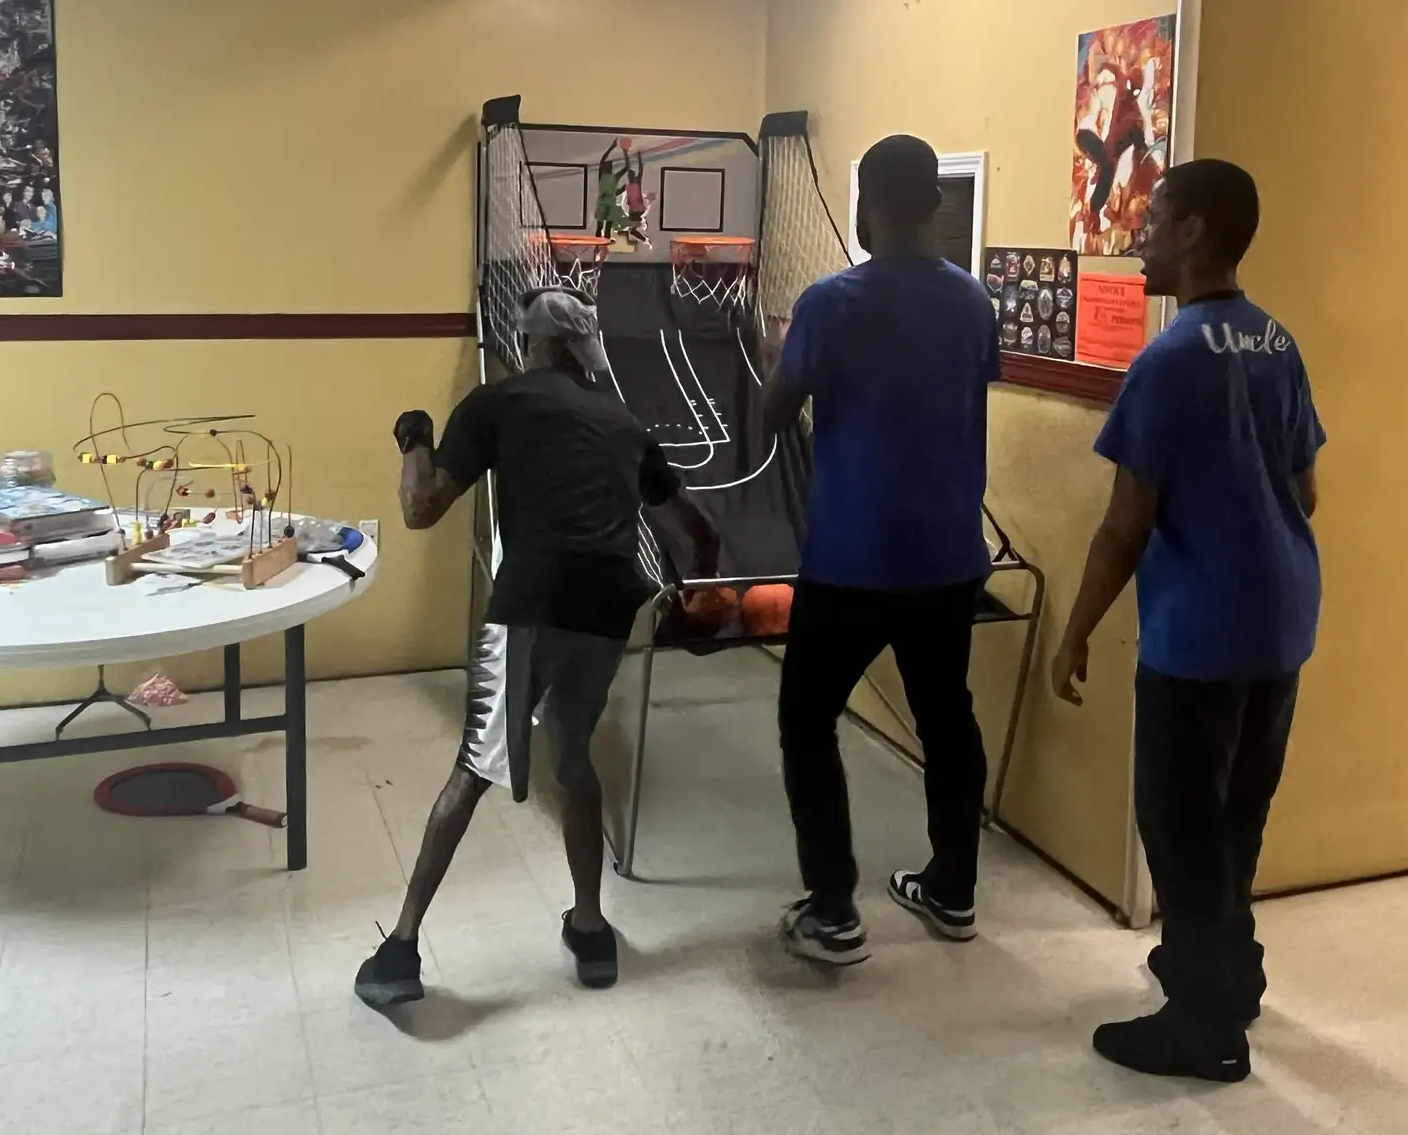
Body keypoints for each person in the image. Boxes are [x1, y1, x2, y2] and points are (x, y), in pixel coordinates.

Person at [356, 286, 720, 1008]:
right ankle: (590, 928)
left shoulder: (497, 402)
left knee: (474, 768)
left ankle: (399, 950)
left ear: (529, 340)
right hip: (609, 605)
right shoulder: (622, 421)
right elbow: (698, 534)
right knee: (573, 756)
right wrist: (700, 601)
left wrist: (414, 439)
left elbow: (420, 508)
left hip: (531, 602)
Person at [1049, 158, 1323, 1083]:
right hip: (1279, 621)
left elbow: (1125, 527)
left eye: (1157, 217)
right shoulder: (1277, 342)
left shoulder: (1166, 361)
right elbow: (1306, 491)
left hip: (1201, 633)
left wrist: (1075, 631)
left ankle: (1204, 1029)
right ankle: (1229, 980)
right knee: (1237, 815)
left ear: (1197, 231)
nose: (1142, 235)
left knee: (1179, 827)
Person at [762, 133, 1000, 965]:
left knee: (806, 718)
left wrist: (777, 360)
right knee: (946, 717)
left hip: (853, 560)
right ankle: (954, 890)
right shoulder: (973, 302)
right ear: (934, 204)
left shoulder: (831, 303)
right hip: (948, 556)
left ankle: (834, 910)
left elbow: (774, 413)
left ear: (866, 206)